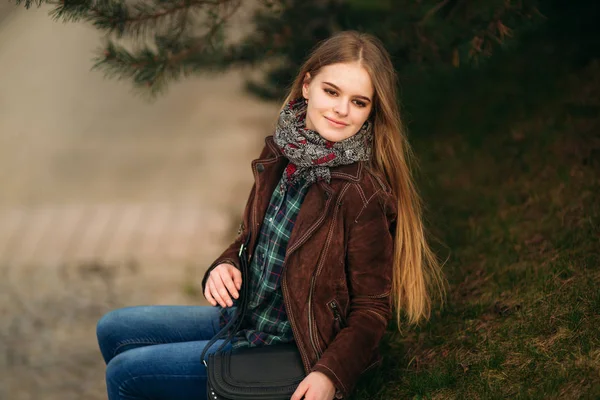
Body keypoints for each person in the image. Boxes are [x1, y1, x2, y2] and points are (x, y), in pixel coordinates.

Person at [96, 30, 447, 400]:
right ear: (308, 86)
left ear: (372, 110)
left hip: (288, 346)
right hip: (247, 316)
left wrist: (330, 374)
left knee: (127, 374)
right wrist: (226, 264)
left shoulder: (360, 194)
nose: (342, 109)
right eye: (332, 91)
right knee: (114, 328)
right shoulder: (284, 151)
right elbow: (250, 238)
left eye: (358, 102)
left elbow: (371, 309)